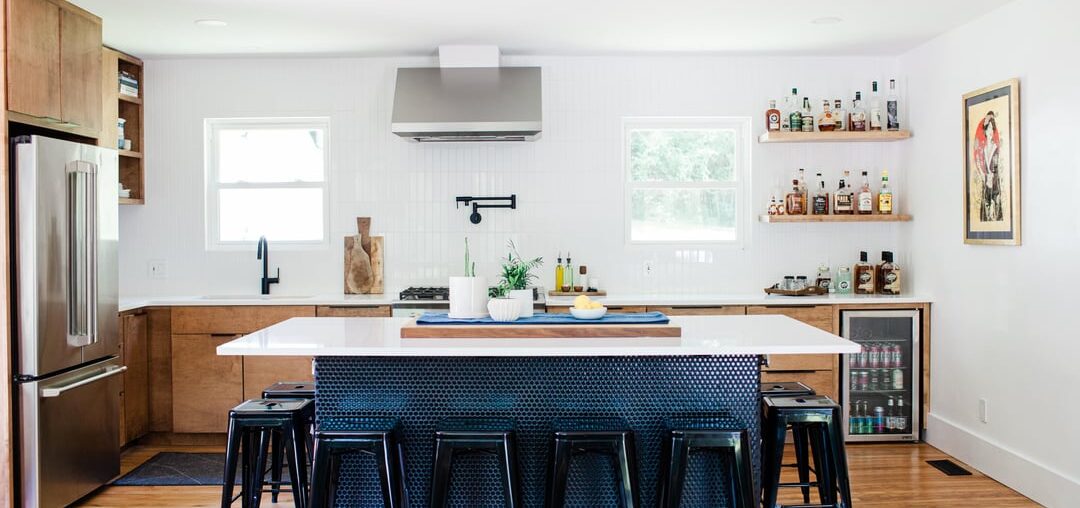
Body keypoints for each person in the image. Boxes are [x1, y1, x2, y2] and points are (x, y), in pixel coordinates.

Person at [973, 111, 1003, 221]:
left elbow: (997, 168)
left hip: (994, 186)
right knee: (985, 213)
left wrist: (992, 178)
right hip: (986, 185)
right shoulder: (983, 150)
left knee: (995, 213)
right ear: (985, 131)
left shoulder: (996, 148)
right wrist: (984, 177)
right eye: (988, 128)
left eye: (992, 128)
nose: (990, 131)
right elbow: (980, 165)